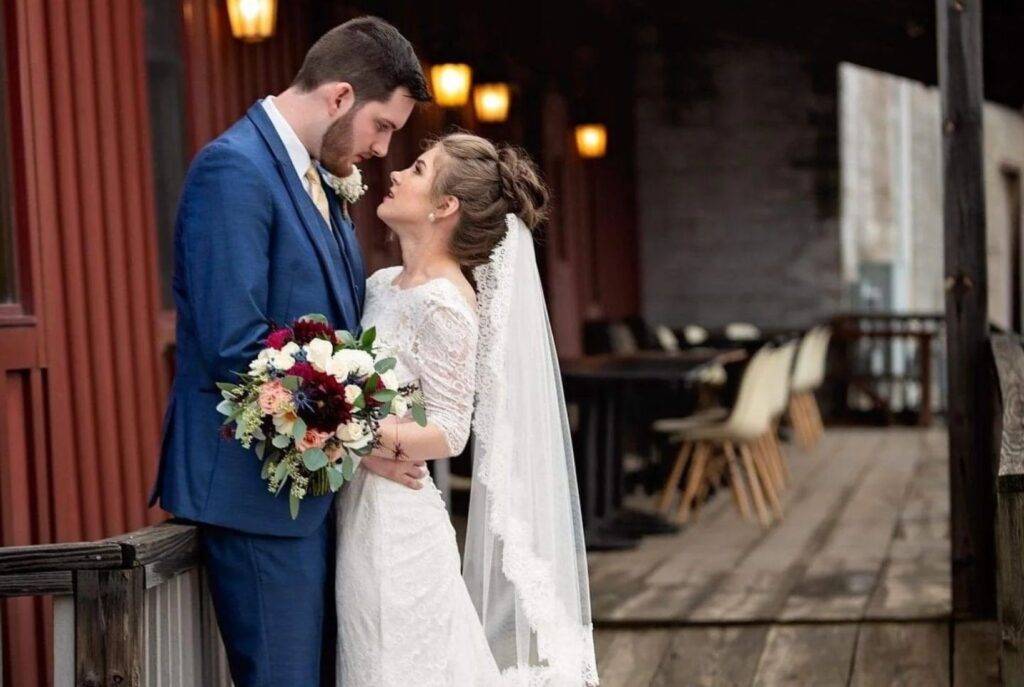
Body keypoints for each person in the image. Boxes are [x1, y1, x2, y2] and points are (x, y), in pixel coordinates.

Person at [148, 17, 431, 686]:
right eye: (381, 126)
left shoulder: (321, 179)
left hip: (312, 492)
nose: (382, 149)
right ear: (339, 97)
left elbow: (335, 335)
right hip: (255, 498)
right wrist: (363, 439)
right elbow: (235, 344)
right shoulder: (234, 170)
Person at [335, 133, 598, 686]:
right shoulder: (380, 285)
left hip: (394, 522)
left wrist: (342, 429)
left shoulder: (447, 304)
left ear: (445, 205)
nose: (396, 173)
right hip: (354, 500)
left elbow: (449, 431)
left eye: (418, 169)